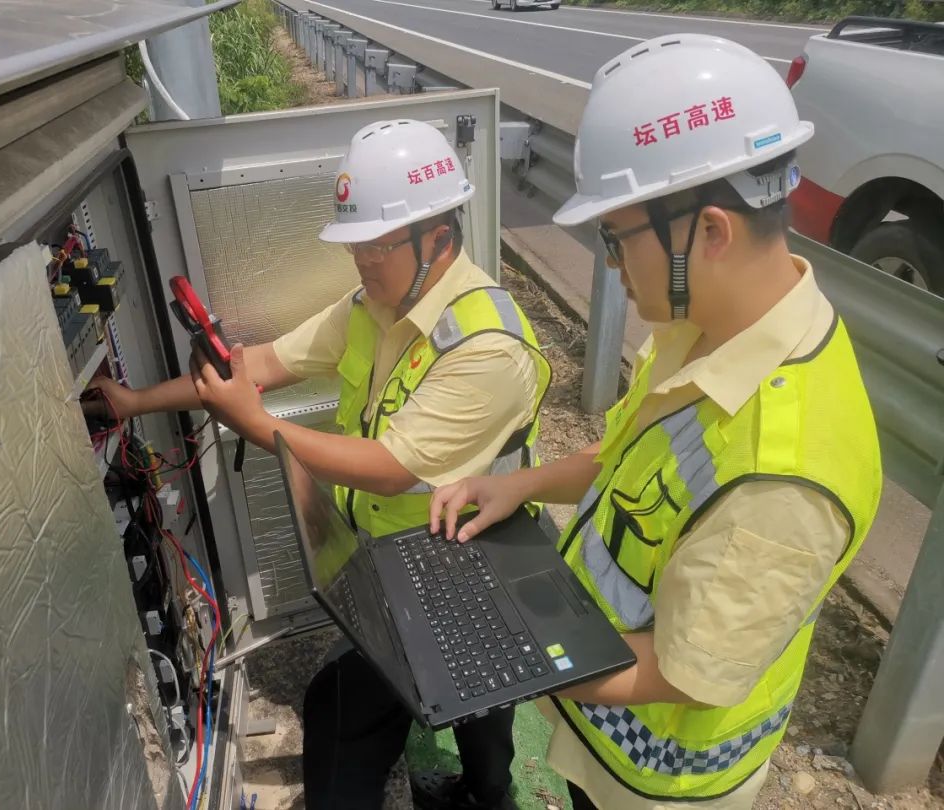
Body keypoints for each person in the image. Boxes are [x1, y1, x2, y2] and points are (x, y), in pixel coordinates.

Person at [429, 35, 882, 810]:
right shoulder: (709, 326)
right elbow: (630, 458)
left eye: (616, 237)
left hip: (658, 774)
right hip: (600, 716)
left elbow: (683, 675)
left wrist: (516, 658)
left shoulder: (781, 477)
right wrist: (518, 485)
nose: (610, 263)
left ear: (710, 232)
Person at [89, 118, 552, 810]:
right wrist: (133, 402)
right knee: (449, 699)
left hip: (471, 562)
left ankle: (487, 793)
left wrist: (260, 427)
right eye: (355, 244)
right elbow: (256, 368)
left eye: (376, 245)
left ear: (438, 237)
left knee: (426, 711)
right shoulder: (374, 306)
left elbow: (391, 467)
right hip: (401, 551)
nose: (361, 261)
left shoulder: (488, 347)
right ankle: (483, 789)